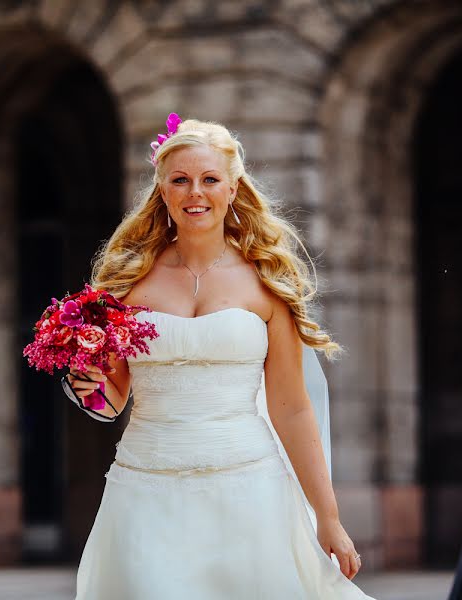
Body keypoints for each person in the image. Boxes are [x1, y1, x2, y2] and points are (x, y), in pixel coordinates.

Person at [65, 113, 376, 599]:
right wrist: (85, 385)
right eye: (181, 180)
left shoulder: (267, 284)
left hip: (249, 488)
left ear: (232, 189)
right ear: (162, 190)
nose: (195, 193)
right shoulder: (125, 287)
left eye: (210, 179)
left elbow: (292, 408)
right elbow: (112, 399)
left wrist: (328, 519)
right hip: (145, 490)